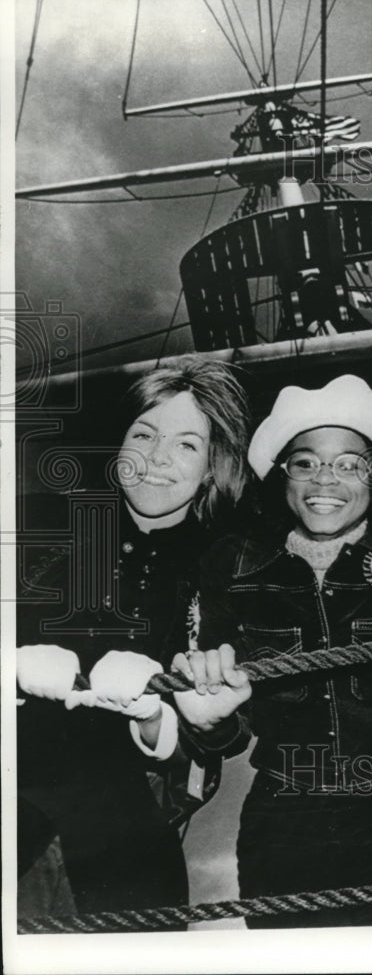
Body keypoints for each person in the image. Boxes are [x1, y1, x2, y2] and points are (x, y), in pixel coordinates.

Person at [172, 374, 372, 929]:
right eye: (305, 462)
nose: (324, 479)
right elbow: (226, 731)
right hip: (286, 823)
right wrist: (207, 725)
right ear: (283, 479)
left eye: (349, 463)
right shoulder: (230, 568)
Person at [16, 357, 251, 921]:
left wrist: (155, 717)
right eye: (143, 434)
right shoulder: (36, 524)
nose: (155, 459)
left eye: (186, 445)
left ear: (214, 467)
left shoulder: (229, 568)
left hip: (124, 830)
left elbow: (226, 734)